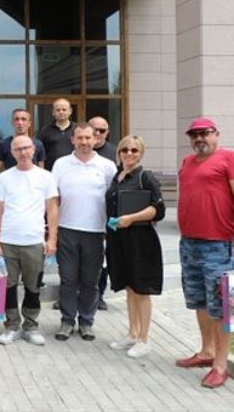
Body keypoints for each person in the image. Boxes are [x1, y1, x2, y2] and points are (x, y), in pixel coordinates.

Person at [175, 118, 234, 389]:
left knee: (221, 307)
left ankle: (221, 364)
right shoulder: (187, 162)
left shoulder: (231, 158)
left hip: (219, 245)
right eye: (194, 134)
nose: (199, 138)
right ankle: (206, 351)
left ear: (216, 134)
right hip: (190, 244)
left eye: (205, 133)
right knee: (199, 301)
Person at [0, 135, 58, 347]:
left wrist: (52, 239)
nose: (23, 152)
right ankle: (12, 326)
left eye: (27, 148)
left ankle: (31, 326)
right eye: (18, 149)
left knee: (33, 287)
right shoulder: (4, 178)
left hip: (34, 241)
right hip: (8, 241)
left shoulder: (46, 177)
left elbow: (52, 209)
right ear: (12, 152)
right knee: (8, 287)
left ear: (34, 149)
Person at [51, 123, 116, 341]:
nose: (84, 142)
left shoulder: (107, 166)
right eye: (80, 138)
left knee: (90, 281)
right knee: (68, 279)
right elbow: (53, 199)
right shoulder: (61, 164)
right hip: (67, 230)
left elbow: (113, 199)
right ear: (73, 140)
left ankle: (87, 322)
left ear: (95, 139)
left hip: (95, 232)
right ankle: (67, 321)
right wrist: (52, 231)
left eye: (88, 138)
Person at [105, 135, 165, 358]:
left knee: (141, 289)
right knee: (129, 288)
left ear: (141, 154)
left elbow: (157, 209)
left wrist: (131, 218)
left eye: (134, 150)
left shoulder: (145, 177)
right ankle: (132, 333)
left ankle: (144, 339)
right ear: (119, 153)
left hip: (140, 239)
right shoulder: (117, 176)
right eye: (125, 150)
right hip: (119, 239)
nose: (129, 154)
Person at [89, 115, 116, 310]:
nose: (97, 133)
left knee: (103, 259)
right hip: (80, 215)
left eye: (102, 130)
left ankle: (99, 295)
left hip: (104, 215)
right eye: (94, 130)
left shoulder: (115, 153)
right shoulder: (78, 150)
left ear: (108, 132)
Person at [37, 98, 75, 171]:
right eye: (58, 110)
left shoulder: (77, 129)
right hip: (52, 171)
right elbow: (39, 153)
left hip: (73, 170)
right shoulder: (45, 131)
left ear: (70, 111)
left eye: (64, 109)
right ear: (53, 112)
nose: (61, 112)